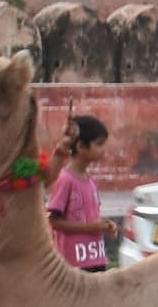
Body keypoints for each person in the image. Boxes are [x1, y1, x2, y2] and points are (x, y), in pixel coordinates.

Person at [47, 115, 116, 273]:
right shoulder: (65, 180)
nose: (103, 150)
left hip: (96, 258)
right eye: (99, 144)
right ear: (81, 146)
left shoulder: (90, 181)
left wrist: (104, 225)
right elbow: (55, 222)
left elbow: (90, 216)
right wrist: (92, 227)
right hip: (74, 264)